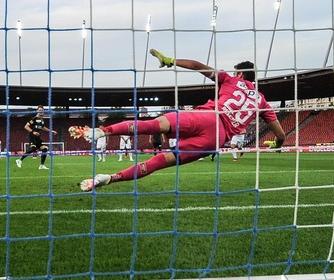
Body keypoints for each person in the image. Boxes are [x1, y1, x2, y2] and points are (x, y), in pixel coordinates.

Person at [72, 49, 286, 192]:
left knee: (153, 125)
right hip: (215, 138)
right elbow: (281, 135)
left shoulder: (230, 80)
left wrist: (171, 61)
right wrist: (275, 144)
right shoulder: (262, 101)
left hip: (207, 116)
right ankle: (109, 178)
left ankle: (102, 131)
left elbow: (196, 65)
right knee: (157, 162)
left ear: (239, 74)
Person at [16, 106, 57, 170]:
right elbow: (26, 126)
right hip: (32, 136)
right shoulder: (34, 119)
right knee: (33, 148)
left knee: (45, 149)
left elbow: (43, 127)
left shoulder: (42, 120)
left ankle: (41, 165)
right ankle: (20, 160)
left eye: (42, 110)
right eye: (40, 110)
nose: (41, 112)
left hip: (37, 137)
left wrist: (51, 131)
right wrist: (33, 132)